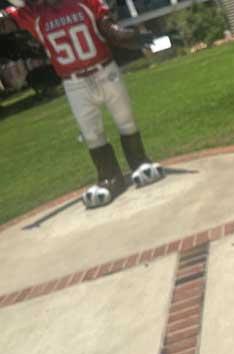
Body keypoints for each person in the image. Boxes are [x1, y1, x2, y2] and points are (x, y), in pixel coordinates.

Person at [1, 0, 163, 208]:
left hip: (104, 71)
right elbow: (5, 23)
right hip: (74, 82)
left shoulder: (84, 2)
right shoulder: (34, 13)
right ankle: (109, 177)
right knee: (91, 133)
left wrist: (128, 36)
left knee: (126, 120)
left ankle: (140, 162)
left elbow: (109, 29)